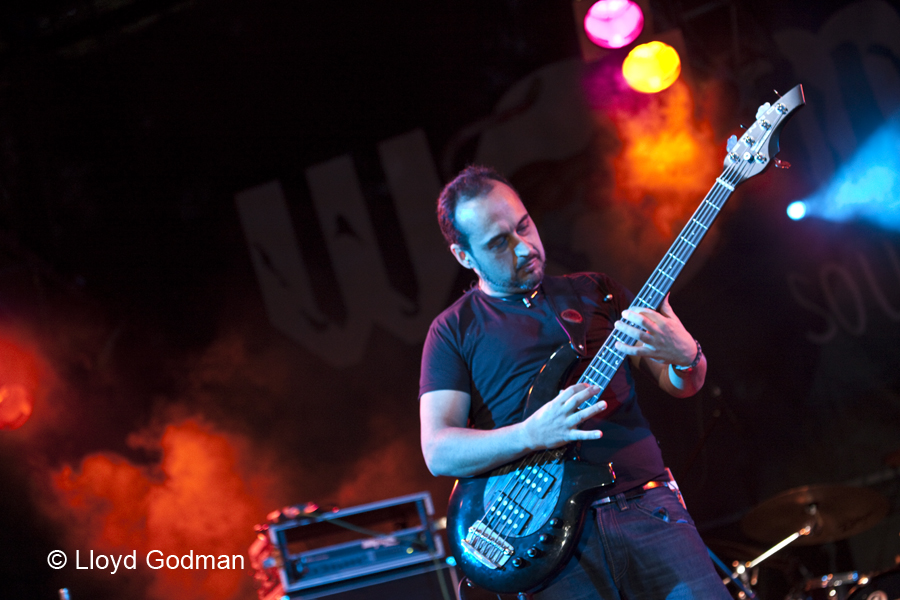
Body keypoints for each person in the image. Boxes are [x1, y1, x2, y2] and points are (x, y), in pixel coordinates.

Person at [419, 165, 731, 599]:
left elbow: (683, 383)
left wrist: (687, 354)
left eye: (524, 226)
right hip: (546, 539)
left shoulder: (596, 292)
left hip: (648, 510)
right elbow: (439, 451)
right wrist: (530, 434)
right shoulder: (453, 330)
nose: (524, 247)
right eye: (498, 243)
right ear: (464, 256)